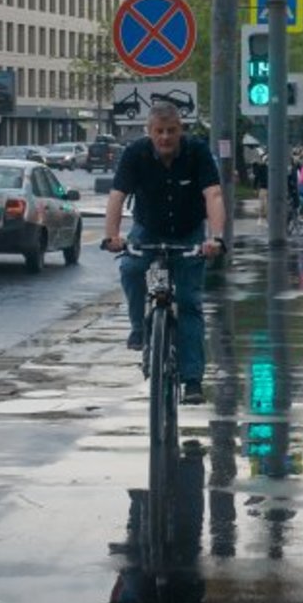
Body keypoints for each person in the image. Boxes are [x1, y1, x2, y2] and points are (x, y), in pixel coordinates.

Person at [103, 102, 226, 406]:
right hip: (149, 228)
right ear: (150, 132)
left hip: (188, 233)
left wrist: (217, 238)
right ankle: (139, 329)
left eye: (171, 131)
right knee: (132, 268)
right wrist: (111, 236)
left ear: (180, 130)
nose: (165, 137)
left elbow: (213, 194)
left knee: (188, 302)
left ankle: (193, 379)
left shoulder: (197, 152)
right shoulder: (136, 154)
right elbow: (117, 195)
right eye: (159, 131)